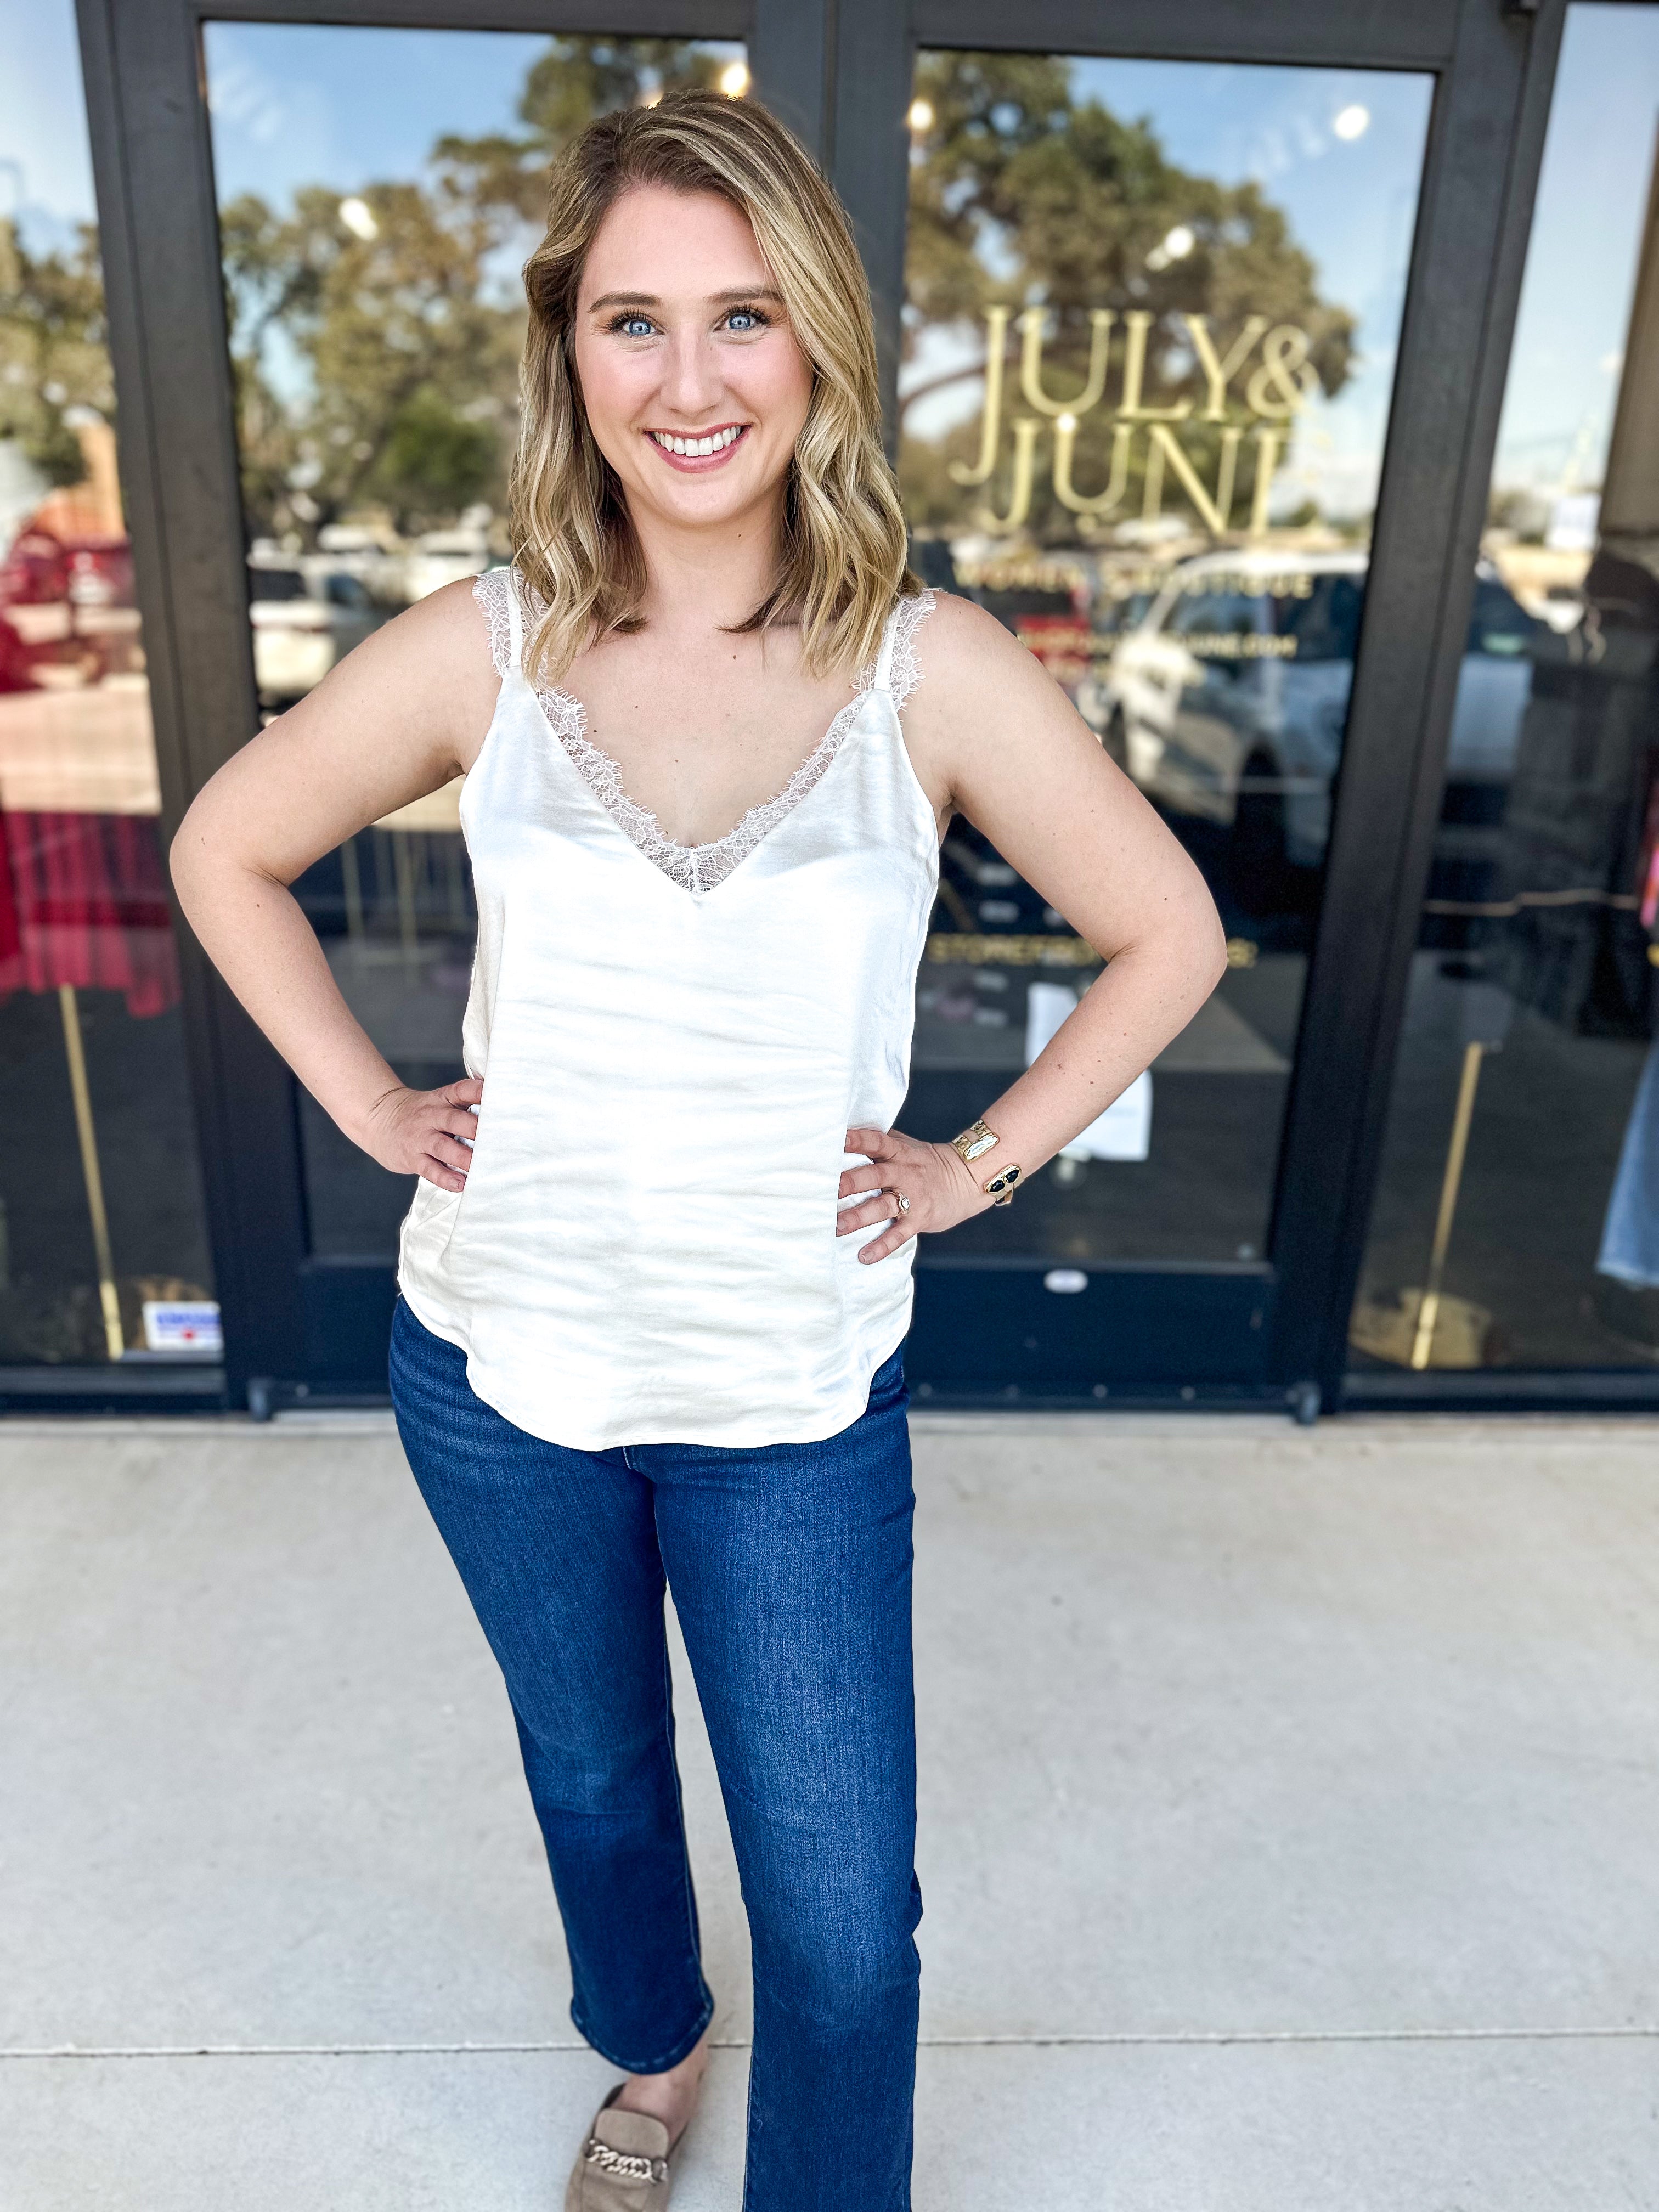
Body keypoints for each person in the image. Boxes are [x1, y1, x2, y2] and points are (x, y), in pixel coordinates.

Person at [171, 87, 1226, 2212]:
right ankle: (653, 2050)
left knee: (845, 1932)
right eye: (632, 321)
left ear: (816, 341)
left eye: (740, 317)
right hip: (500, 1379)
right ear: (572, 352)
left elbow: (1170, 931)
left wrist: (975, 1160)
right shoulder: (493, 643)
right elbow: (226, 845)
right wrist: (378, 1105)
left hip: (790, 1397)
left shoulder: (927, 669)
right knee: (596, 1791)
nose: (688, 378)